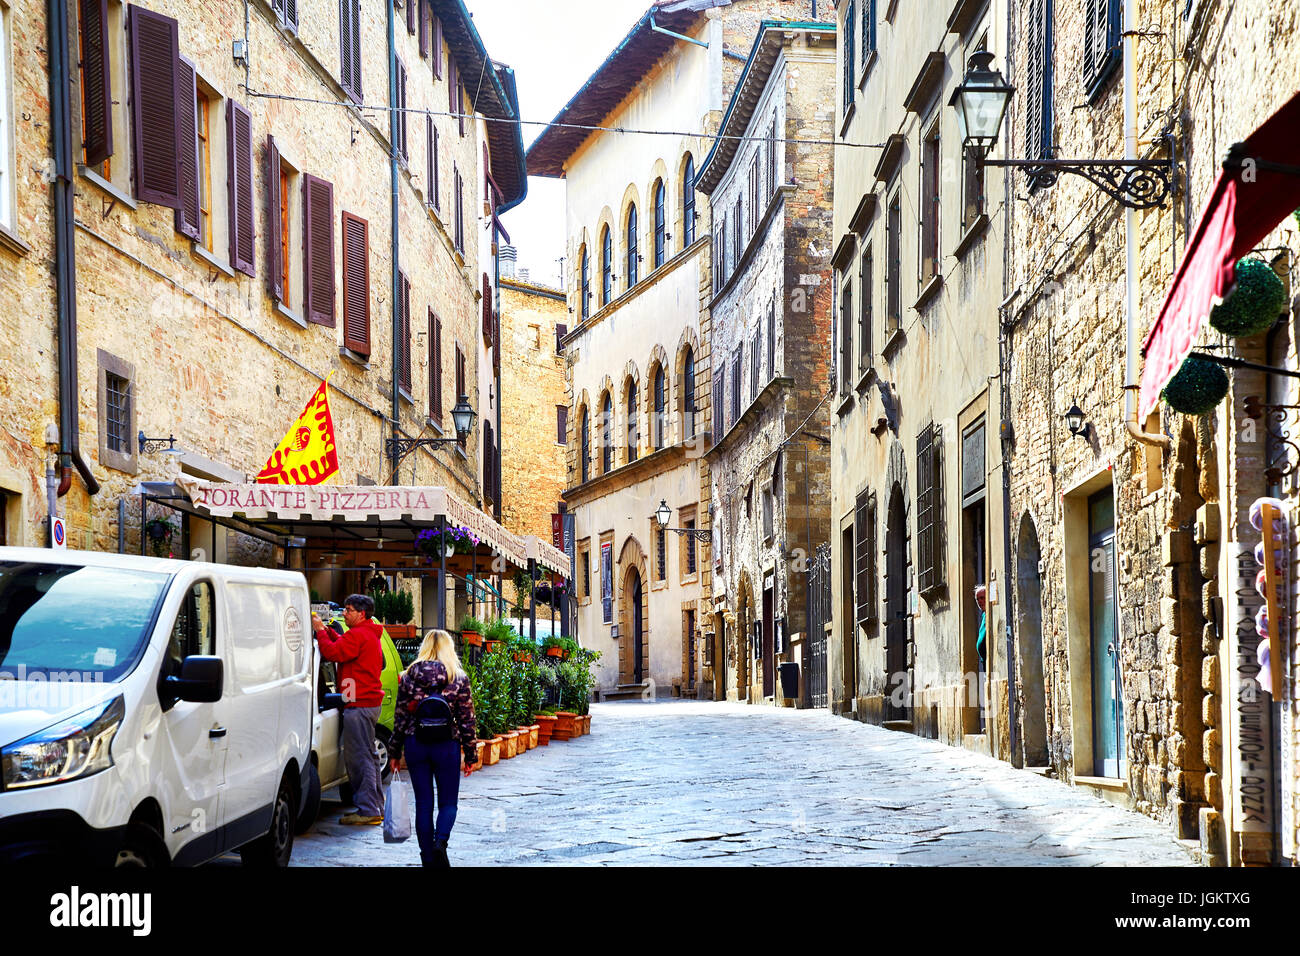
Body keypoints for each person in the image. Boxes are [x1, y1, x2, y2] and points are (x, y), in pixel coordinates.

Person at [387, 629, 480, 867]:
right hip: (447, 744)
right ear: (449, 649)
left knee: (424, 804)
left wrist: (395, 752)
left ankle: (427, 858)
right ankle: (441, 843)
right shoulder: (458, 678)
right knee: (448, 803)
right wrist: (470, 754)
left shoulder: (408, 677)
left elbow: (400, 718)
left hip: (416, 743)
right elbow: (467, 719)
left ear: (424, 647)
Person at [312, 594, 385, 825]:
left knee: (359, 760)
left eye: (349, 610)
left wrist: (320, 631)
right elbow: (342, 647)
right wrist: (329, 631)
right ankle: (375, 807)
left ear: (362, 613)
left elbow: (333, 653)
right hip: (368, 703)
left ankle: (367, 810)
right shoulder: (366, 633)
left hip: (360, 705)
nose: (344, 613)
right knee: (370, 757)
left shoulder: (359, 634)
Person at [974, 586, 987, 667]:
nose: (979, 601)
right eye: (977, 599)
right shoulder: (984, 615)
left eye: (982, 598)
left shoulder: (992, 613)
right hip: (984, 662)